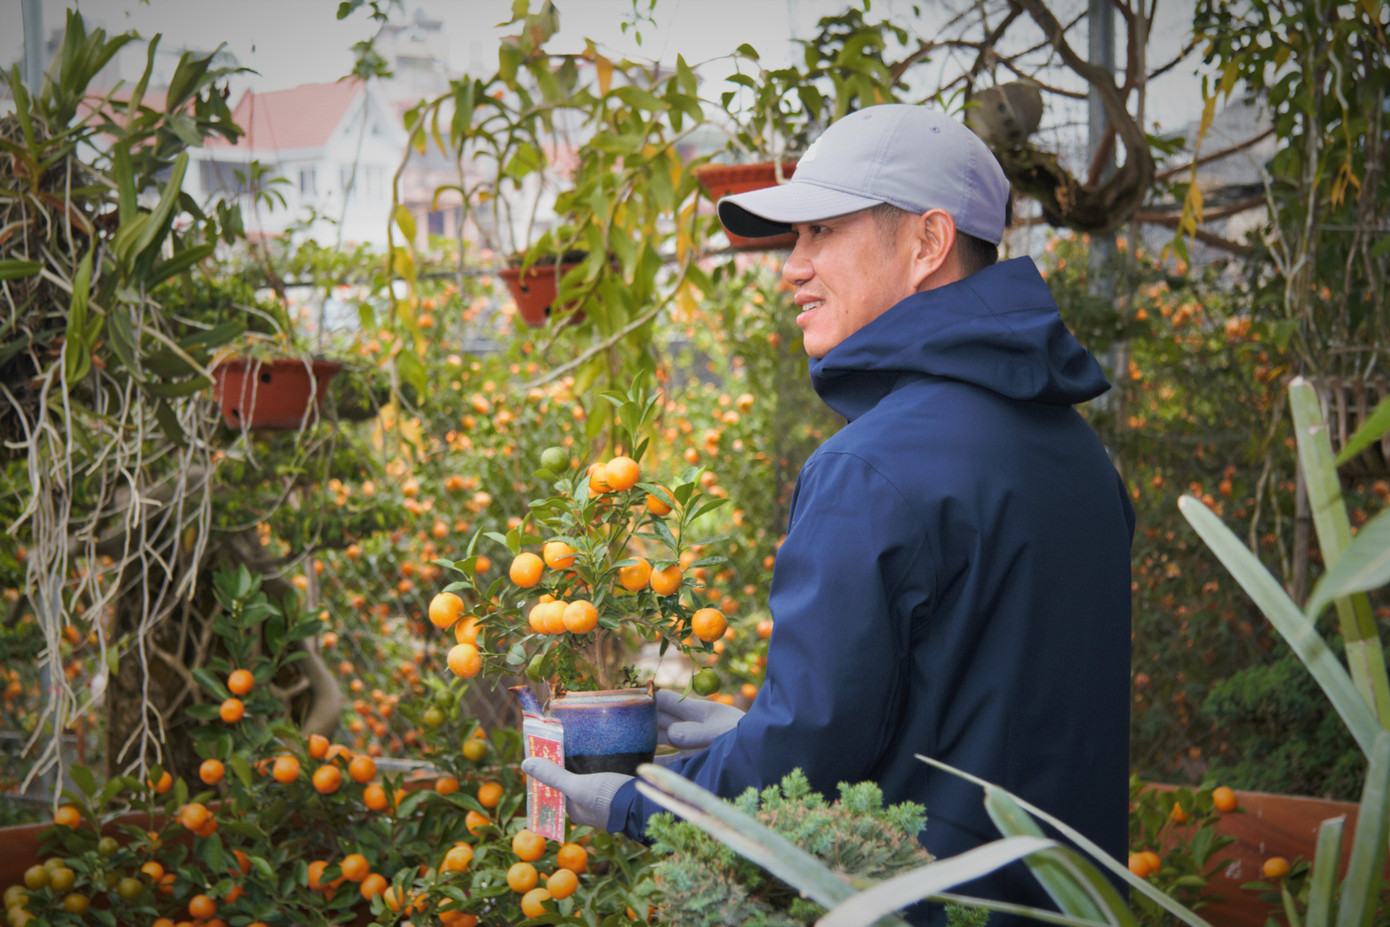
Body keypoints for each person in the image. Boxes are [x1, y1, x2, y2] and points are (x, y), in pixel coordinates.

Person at [522, 103, 1135, 926]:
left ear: (927, 242)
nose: (792, 267)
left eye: (822, 233)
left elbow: (803, 758)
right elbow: (983, 713)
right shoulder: (1080, 456)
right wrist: (748, 731)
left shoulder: (869, 468)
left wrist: (640, 801)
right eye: (795, 239)